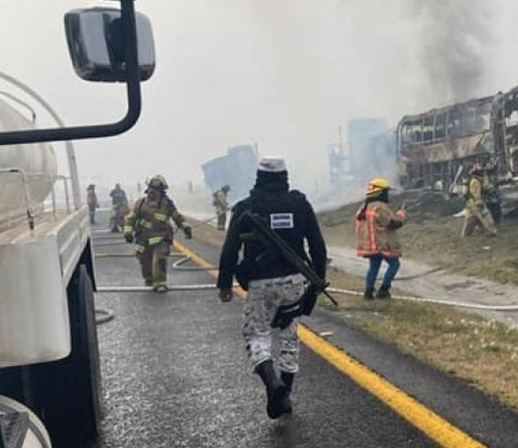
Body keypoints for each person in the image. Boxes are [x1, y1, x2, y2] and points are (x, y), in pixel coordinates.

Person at [217, 157, 327, 419]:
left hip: (260, 284)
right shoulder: (299, 204)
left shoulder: (245, 207)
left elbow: (230, 249)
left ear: (259, 177)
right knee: (289, 334)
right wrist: (318, 280)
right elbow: (317, 245)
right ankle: (285, 395)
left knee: (256, 334)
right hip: (295, 282)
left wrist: (224, 284)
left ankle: (271, 383)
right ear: (285, 177)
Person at [124, 175, 192, 293]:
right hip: (143, 238)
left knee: (159, 259)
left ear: (161, 192)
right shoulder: (140, 203)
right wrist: (128, 232)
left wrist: (185, 227)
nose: (151, 193)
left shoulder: (167, 204)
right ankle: (149, 279)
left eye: (155, 190)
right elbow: (131, 218)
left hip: (161, 237)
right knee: (144, 259)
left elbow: (177, 216)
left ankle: (160, 283)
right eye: (150, 190)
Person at [354, 178, 407, 300]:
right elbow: (392, 223)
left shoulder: (363, 207)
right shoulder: (380, 207)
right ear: (380, 193)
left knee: (373, 267)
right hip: (381, 244)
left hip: (370, 245)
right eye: (385, 192)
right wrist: (401, 215)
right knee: (395, 265)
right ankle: (384, 290)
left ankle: (368, 293)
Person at [461, 163, 496, 237]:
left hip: (477, 205)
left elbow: (486, 189)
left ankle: (482, 229)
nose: (482, 173)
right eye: (480, 171)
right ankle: (486, 230)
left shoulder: (479, 180)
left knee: (489, 226)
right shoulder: (474, 181)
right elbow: (471, 195)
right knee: (466, 233)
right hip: (474, 206)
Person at [483, 163, 503, 231]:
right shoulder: (486, 178)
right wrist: (493, 186)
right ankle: (492, 227)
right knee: (492, 214)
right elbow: (486, 188)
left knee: (497, 213)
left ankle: (497, 226)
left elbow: (499, 181)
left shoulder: (493, 176)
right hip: (490, 199)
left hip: (495, 199)